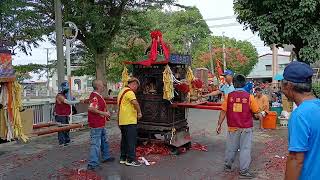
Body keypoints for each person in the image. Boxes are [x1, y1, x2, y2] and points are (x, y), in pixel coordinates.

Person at [216, 74, 259, 179]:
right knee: (245, 149)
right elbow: (256, 113)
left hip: (232, 127)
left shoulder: (228, 96)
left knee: (231, 148)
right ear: (244, 84)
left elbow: (223, 112)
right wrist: (258, 116)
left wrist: (219, 125)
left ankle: (227, 166)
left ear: (234, 84)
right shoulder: (250, 97)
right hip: (246, 128)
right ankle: (244, 171)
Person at [282, 61, 320, 180]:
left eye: (282, 84)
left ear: (289, 86)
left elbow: (296, 159)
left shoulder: (300, 115)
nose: (281, 88)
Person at [87, 80, 115, 171]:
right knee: (95, 143)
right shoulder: (95, 96)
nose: (104, 86)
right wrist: (104, 113)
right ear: (99, 86)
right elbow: (91, 108)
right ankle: (92, 163)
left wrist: (105, 114)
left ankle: (105, 156)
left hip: (100, 123)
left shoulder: (97, 96)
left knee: (104, 140)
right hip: (96, 124)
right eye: (103, 85)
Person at [117, 77, 142, 167]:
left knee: (124, 140)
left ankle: (123, 158)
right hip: (129, 120)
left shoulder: (122, 91)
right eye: (137, 86)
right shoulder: (130, 92)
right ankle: (131, 159)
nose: (136, 89)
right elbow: (135, 103)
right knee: (131, 141)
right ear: (134, 83)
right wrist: (139, 112)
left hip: (122, 120)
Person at [54, 82, 79, 146]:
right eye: (66, 88)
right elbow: (68, 102)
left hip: (65, 115)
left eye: (67, 88)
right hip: (60, 116)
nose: (67, 90)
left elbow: (71, 100)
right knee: (61, 129)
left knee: (67, 129)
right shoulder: (59, 96)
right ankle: (61, 142)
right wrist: (79, 101)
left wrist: (74, 98)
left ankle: (67, 141)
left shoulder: (65, 95)